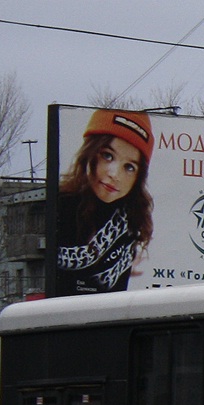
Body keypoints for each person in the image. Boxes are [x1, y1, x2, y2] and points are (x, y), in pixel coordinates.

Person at [55, 109, 154, 294]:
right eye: (108, 156)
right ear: (89, 152)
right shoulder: (60, 206)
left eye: (129, 167)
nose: (114, 174)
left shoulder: (132, 221)